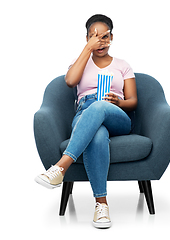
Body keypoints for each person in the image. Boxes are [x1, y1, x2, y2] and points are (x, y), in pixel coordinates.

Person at [35, 14, 138, 229]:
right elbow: (70, 81)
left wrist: (118, 103)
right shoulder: (81, 62)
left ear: (112, 37)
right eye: (94, 37)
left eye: (104, 36)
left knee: (99, 106)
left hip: (116, 114)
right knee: (97, 134)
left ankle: (61, 168)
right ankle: (102, 205)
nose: (100, 41)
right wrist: (87, 50)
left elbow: (133, 101)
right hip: (85, 114)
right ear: (87, 38)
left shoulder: (123, 65)